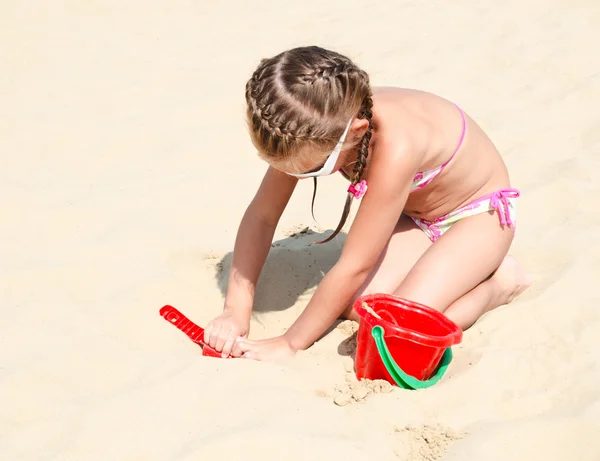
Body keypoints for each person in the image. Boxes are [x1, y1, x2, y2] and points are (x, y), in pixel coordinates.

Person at [203, 46, 532, 361]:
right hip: (413, 215)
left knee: (397, 331)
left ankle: (500, 284)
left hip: (477, 217)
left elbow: (353, 265)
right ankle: (447, 265)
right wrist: (236, 310)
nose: (291, 175)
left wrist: (290, 343)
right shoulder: (310, 118)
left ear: (357, 131)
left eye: (309, 170)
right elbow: (262, 215)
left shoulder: (398, 145)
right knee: (356, 305)